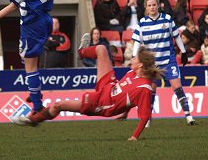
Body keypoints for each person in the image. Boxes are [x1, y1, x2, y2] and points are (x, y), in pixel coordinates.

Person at [12, 42, 163, 141]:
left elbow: (144, 116)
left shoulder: (145, 88)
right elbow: (129, 98)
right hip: (108, 86)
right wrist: (125, 112)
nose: (132, 59)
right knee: (101, 49)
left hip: (102, 103)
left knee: (59, 105)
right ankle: (82, 52)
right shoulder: (133, 73)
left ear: (141, 65)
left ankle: (33, 120)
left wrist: (134, 137)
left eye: (135, 58)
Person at [132, 0, 196, 125]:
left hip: (168, 60)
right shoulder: (142, 23)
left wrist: (183, 52)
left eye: (154, 5)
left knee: (177, 87)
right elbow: (137, 42)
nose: (152, 7)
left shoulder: (167, 19)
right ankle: (148, 119)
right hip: (152, 64)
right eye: (149, 5)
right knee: (151, 91)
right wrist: (135, 57)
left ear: (158, 6)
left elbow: (177, 36)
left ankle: (189, 116)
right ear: (146, 8)